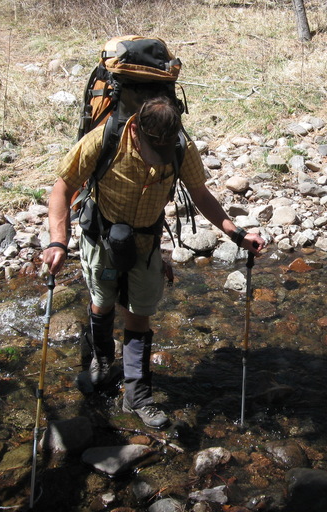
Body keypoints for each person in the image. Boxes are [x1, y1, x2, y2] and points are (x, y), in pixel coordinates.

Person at [42, 88, 265, 428]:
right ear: (135, 130)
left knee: (139, 314)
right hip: (101, 236)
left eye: (163, 150)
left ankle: (137, 395)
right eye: (152, 150)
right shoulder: (103, 140)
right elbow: (62, 189)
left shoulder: (180, 147)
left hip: (146, 242)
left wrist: (237, 234)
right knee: (102, 302)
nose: (156, 159)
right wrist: (58, 241)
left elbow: (201, 195)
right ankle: (101, 359)